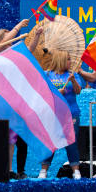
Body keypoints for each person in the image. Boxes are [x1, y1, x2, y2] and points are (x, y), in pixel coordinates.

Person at [0, 21, 32, 178]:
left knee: (12, 137)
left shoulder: (12, 56)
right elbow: (6, 42)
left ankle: (9, 170)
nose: (10, 38)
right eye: (7, 36)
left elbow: (28, 53)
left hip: (10, 103)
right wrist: (18, 27)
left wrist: (36, 37)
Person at [38, 50, 85, 179]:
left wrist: (74, 80)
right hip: (53, 115)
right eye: (68, 59)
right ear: (61, 60)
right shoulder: (47, 74)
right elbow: (43, 93)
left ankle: (76, 171)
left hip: (71, 114)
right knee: (50, 142)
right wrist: (57, 93)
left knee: (71, 143)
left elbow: (78, 91)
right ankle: (43, 171)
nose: (70, 62)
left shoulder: (72, 75)